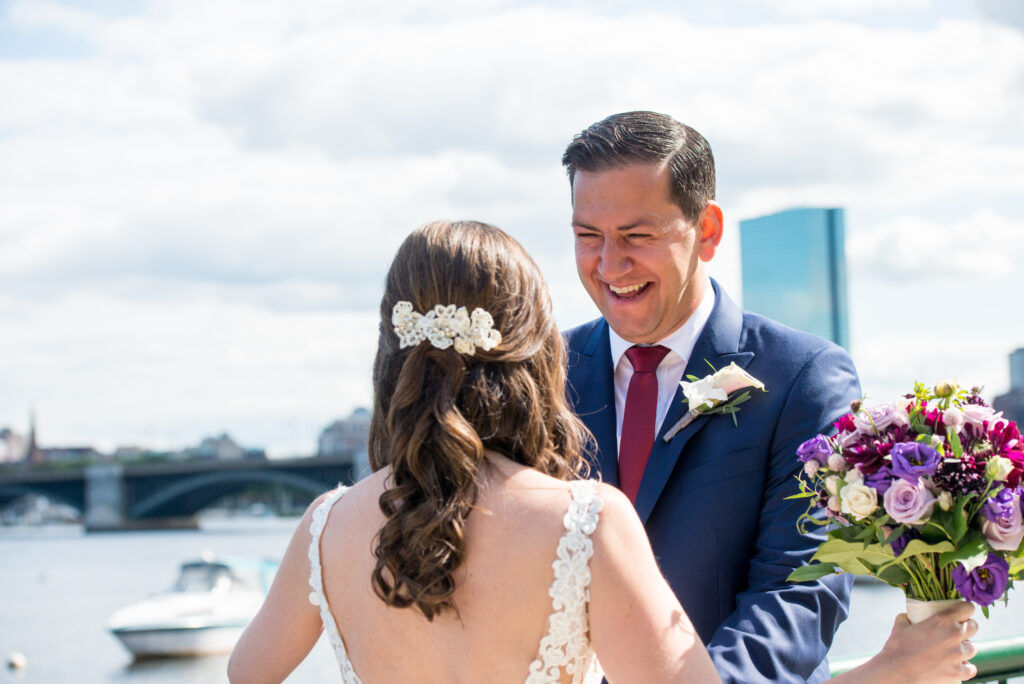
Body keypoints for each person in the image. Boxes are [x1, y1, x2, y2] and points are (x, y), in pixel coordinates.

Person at [227, 220, 978, 683]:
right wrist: (886, 676)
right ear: (531, 349)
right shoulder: (585, 521)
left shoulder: (326, 525)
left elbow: (246, 673)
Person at [560, 110, 856, 682]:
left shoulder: (804, 378)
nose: (608, 264)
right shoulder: (543, 376)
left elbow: (801, 590)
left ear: (709, 231)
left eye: (637, 236)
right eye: (587, 237)